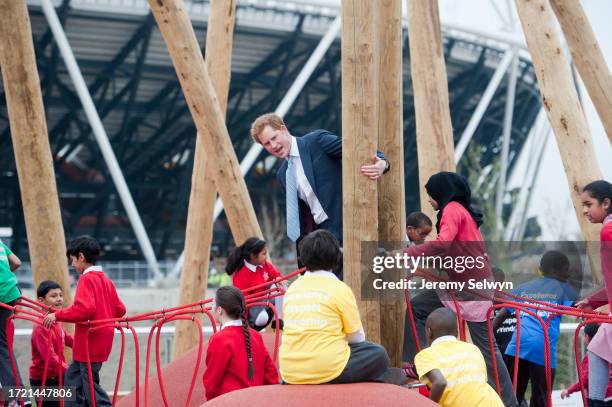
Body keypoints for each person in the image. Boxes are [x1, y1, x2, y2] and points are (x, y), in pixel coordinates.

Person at [402, 172, 517, 407]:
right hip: (463, 284)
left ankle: (509, 401)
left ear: (441, 192)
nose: (430, 201)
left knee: (488, 349)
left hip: (471, 287)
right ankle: (421, 366)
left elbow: (443, 244)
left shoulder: (452, 209)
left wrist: (406, 253)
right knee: (418, 307)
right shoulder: (458, 212)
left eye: (431, 195)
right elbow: (450, 252)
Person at [250, 113, 390, 276]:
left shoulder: (316, 142)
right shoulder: (283, 174)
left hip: (349, 225)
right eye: (267, 144)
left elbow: (357, 149)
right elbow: (300, 218)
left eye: (274, 138)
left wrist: (382, 162)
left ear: (283, 129)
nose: (273, 145)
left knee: (368, 285)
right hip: (321, 239)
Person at [279, 230, 402, 385]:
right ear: (336, 258)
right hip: (329, 367)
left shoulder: (292, 289)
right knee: (378, 353)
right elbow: (357, 338)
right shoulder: (339, 288)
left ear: (303, 259)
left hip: (291, 371)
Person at [43, 236, 126, 407]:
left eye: (72, 260)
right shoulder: (106, 280)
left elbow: (84, 309)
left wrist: (57, 315)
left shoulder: (87, 279)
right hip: (99, 341)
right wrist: (108, 319)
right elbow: (120, 309)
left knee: (90, 387)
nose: (72, 265)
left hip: (90, 343)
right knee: (73, 380)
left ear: (81, 257)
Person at [495, 251, 577, 407]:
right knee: (541, 398)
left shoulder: (523, 288)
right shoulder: (565, 289)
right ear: (556, 270)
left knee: (512, 397)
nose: (568, 273)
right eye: (566, 269)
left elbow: (499, 317)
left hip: (517, 346)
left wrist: (489, 342)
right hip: (542, 349)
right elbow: (584, 306)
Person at [414, 307, 503, 407]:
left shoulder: (425, 355)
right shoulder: (473, 349)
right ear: (456, 332)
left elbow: (440, 383)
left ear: (429, 331)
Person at [203, 286, 279, 400]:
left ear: (219, 310)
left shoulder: (219, 339)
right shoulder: (256, 336)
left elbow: (212, 384)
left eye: (213, 304)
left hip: (230, 402)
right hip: (256, 401)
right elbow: (270, 375)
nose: (211, 308)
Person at [576, 180, 612, 407]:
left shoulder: (608, 231)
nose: (585, 211)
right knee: (597, 347)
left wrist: (592, 301)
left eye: (589, 204)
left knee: (596, 349)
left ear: (606, 203)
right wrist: (593, 301)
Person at [226, 237, 286, 331]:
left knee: (281, 285)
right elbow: (243, 300)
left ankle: (278, 319)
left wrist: (278, 278)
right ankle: (254, 325)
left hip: (266, 298)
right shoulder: (241, 274)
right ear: (253, 256)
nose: (266, 256)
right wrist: (244, 322)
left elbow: (275, 274)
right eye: (263, 254)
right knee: (262, 319)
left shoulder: (264, 265)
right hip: (254, 305)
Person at [29, 281, 74, 407]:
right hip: (44, 379)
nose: (59, 299)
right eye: (54, 296)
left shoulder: (55, 319)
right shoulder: (41, 326)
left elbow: (66, 337)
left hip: (58, 373)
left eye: (60, 295)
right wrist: (69, 370)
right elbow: (50, 357)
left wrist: (83, 347)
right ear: (41, 301)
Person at [0, 239, 27, 406]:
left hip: (2, 296)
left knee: (2, 349)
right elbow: (16, 262)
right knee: (4, 347)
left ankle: (16, 398)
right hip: (11, 292)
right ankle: (19, 396)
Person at [561, 323, 612, 404]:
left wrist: (569, 390)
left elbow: (585, 379)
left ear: (586, 336)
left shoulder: (591, 355)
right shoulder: (607, 351)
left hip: (602, 398)